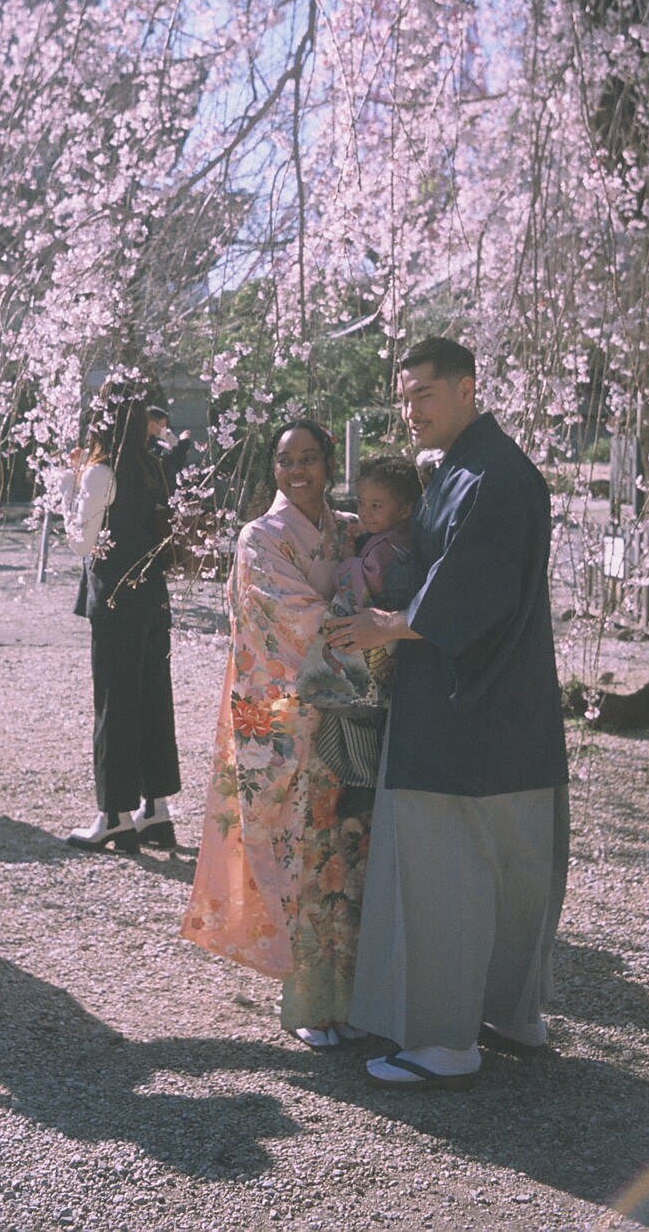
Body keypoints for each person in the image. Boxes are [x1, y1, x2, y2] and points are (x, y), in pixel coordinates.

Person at [327, 337, 569, 1090]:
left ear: (467, 388)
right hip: (509, 707)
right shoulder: (477, 470)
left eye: (422, 394)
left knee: (444, 869)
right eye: (402, 398)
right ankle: (509, 1011)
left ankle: (443, 1038)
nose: (409, 411)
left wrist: (385, 626)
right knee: (513, 863)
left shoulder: (492, 475)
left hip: (459, 706)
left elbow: (470, 588)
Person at [181, 419, 369, 1050]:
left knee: (351, 846)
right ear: (273, 471)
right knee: (302, 850)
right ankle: (311, 1002)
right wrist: (375, 632)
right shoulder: (260, 536)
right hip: (286, 714)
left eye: (311, 458)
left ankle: (360, 994)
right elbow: (287, 620)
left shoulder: (349, 528)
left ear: (328, 462)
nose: (299, 471)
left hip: (346, 711)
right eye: (287, 461)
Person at [61, 390, 181, 852]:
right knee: (153, 698)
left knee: (114, 701)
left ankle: (113, 813)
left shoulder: (99, 472)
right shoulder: (151, 467)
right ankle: (156, 809)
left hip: (114, 600)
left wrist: (69, 484)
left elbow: (79, 542)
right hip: (152, 596)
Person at [296, 454, 422, 802]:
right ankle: (358, 788)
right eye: (362, 503)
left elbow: (370, 585)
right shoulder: (392, 538)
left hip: (375, 640)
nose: (365, 512)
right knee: (355, 712)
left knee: (356, 711)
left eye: (376, 505)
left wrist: (349, 561)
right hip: (377, 642)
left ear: (405, 509)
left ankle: (361, 787)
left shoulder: (392, 549)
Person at [146, 405, 193, 494]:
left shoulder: (158, 440)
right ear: (152, 423)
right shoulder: (148, 444)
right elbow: (170, 460)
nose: (164, 428)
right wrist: (183, 443)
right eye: (162, 425)